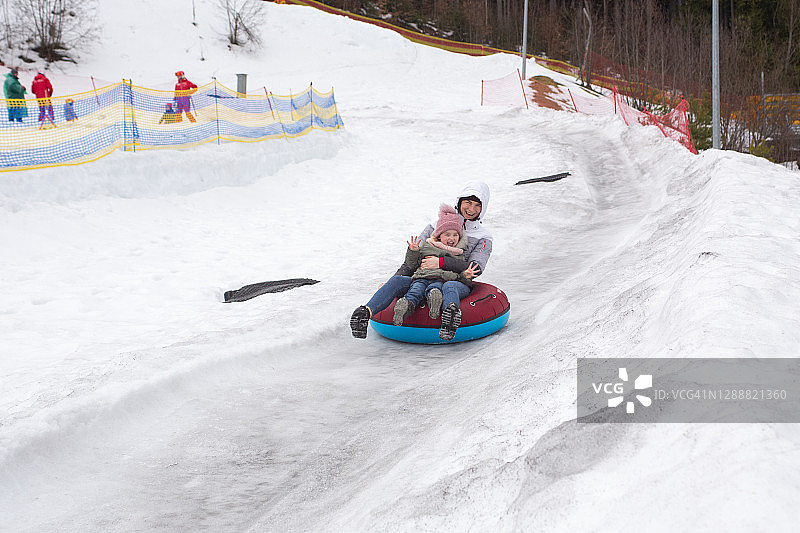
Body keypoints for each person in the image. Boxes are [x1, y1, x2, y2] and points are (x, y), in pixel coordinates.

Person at [350, 180, 492, 340]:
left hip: (455, 281)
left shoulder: (483, 237)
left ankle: (450, 318)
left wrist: (441, 263)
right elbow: (415, 257)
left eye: (477, 205)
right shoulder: (434, 226)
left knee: (450, 286)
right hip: (424, 278)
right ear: (459, 202)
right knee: (397, 281)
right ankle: (363, 314)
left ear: (483, 208)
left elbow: (475, 268)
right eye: (468, 202)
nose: (471, 209)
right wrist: (392, 282)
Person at [392, 204, 479, 340]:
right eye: (447, 234)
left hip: (440, 280)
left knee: (436, 288)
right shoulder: (428, 246)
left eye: (455, 235)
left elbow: (458, 273)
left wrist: (455, 272)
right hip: (421, 277)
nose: (452, 238)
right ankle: (405, 306)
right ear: (439, 236)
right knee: (416, 290)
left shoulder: (458, 253)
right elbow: (413, 263)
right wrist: (413, 251)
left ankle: (436, 305)